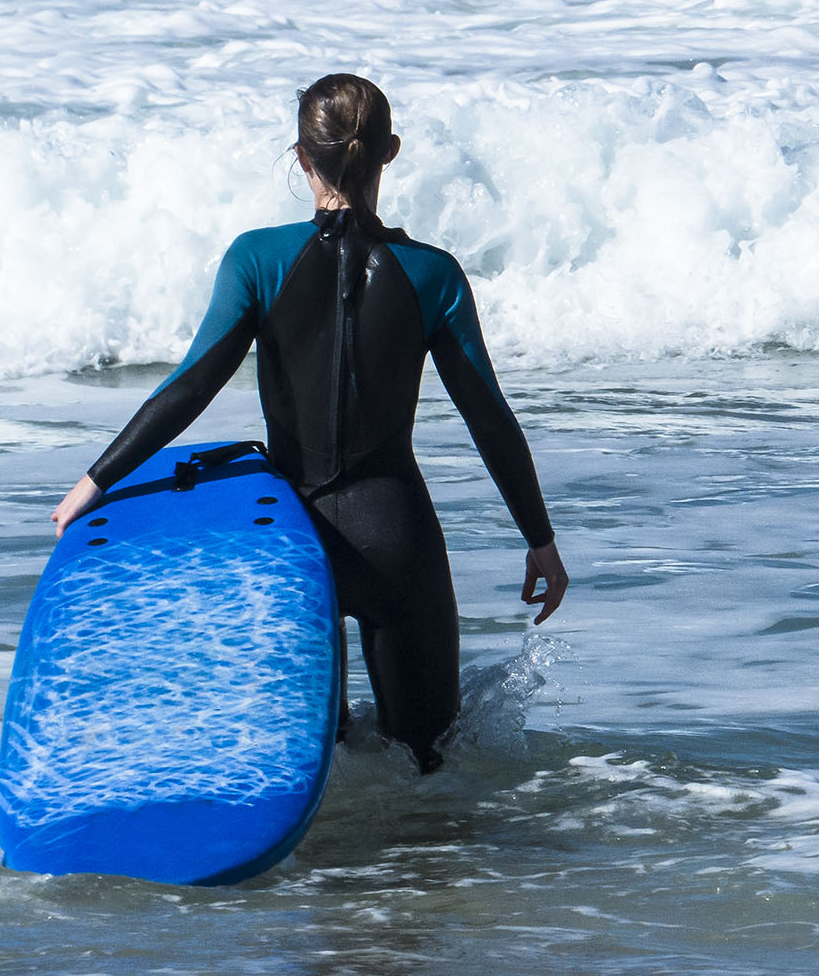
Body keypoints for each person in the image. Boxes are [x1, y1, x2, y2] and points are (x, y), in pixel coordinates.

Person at [50, 73, 567, 773]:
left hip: (290, 545)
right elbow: (488, 417)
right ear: (390, 151)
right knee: (429, 771)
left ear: (301, 156)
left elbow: (193, 382)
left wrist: (96, 480)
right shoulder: (433, 274)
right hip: (398, 540)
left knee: (305, 771)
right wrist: (539, 540)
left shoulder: (256, 260)